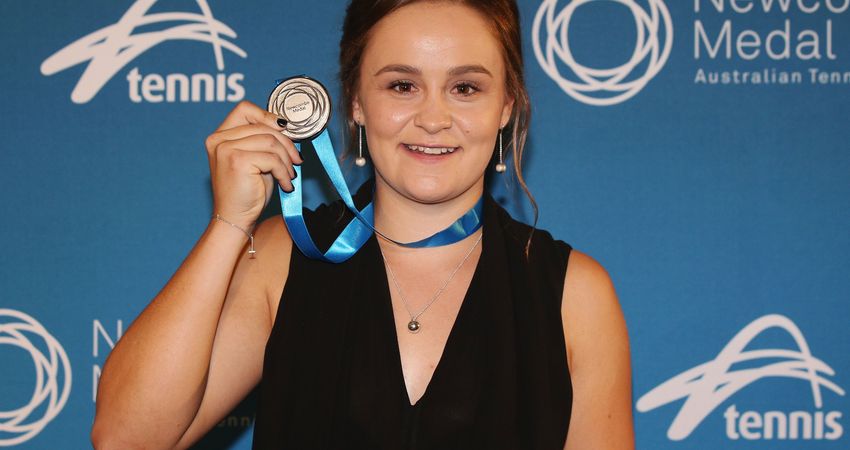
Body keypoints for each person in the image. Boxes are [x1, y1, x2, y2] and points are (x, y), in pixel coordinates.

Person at [91, 0, 634, 448]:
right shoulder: (282, 258)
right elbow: (125, 439)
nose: (433, 118)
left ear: (507, 107)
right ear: (354, 102)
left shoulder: (574, 294)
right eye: (402, 86)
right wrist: (231, 222)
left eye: (466, 88)